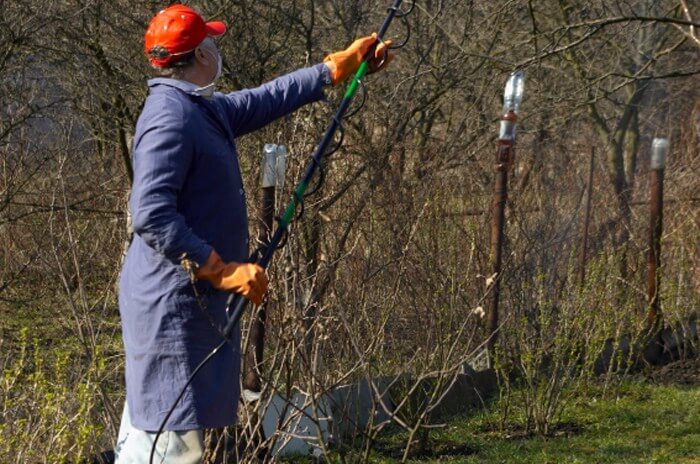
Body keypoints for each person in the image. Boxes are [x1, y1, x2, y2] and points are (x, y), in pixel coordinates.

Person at [114, 4, 393, 463]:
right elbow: (149, 212)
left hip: (189, 305)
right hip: (172, 309)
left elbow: (265, 98)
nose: (218, 50)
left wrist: (333, 69)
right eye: (213, 42)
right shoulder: (171, 116)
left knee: (172, 435)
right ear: (200, 53)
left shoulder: (198, 108)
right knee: (168, 442)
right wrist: (219, 270)